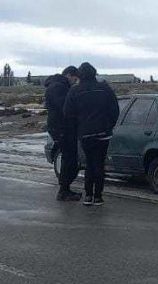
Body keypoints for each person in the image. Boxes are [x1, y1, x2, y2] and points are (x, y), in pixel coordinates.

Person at [63, 62, 120, 206]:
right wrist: (109, 126)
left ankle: (88, 195)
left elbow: (67, 112)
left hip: (85, 133)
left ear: (80, 75)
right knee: (99, 163)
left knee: (89, 163)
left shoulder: (75, 91)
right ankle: (98, 196)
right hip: (103, 132)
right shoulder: (105, 89)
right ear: (94, 73)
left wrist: (78, 127)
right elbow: (114, 110)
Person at [45, 66, 81, 201]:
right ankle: (64, 190)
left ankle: (65, 188)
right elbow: (64, 106)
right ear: (69, 75)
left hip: (61, 127)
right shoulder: (58, 87)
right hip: (61, 128)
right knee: (68, 158)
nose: (75, 82)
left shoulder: (58, 86)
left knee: (69, 158)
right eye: (75, 79)